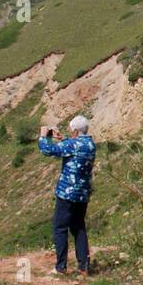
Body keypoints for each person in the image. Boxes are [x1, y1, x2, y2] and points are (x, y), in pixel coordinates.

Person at [37, 115, 96, 276]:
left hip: (67, 192)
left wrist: (44, 137)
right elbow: (74, 148)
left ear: (76, 131)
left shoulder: (72, 144)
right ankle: (83, 266)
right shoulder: (90, 144)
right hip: (82, 193)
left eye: (72, 130)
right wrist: (62, 139)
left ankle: (61, 267)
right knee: (78, 227)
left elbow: (47, 150)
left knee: (60, 227)